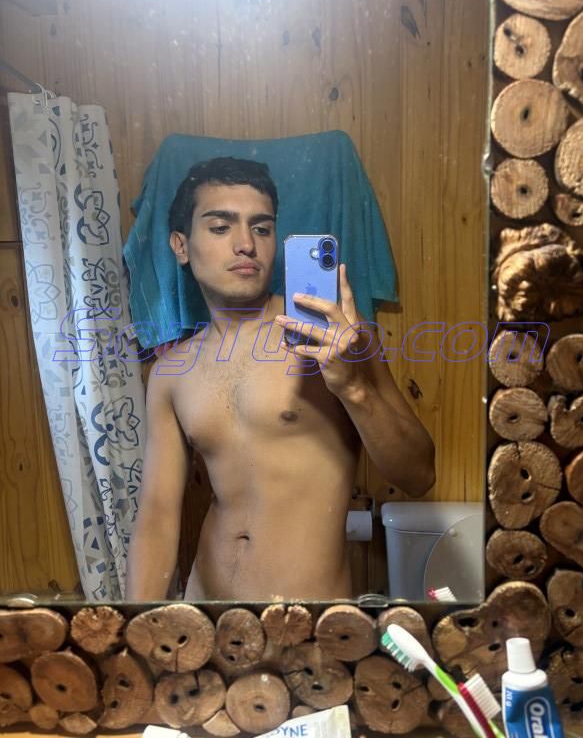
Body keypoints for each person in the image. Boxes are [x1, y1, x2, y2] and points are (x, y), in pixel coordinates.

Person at [125, 157, 435, 600]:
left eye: (262, 228)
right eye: (220, 227)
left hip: (307, 621)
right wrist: (139, 624)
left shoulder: (337, 338)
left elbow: (419, 475)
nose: (246, 244)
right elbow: (157, 516)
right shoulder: (171, 372)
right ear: (181, 245)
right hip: (207, 614)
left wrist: (353, 388)